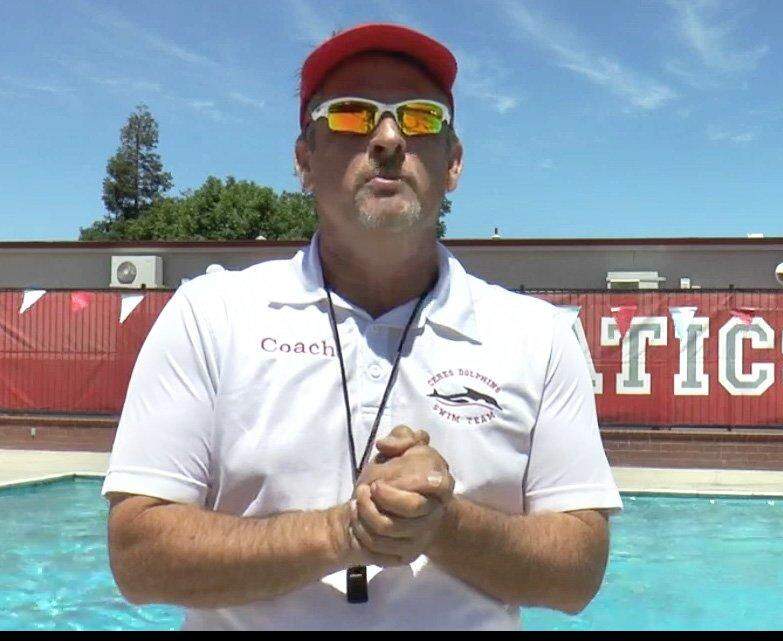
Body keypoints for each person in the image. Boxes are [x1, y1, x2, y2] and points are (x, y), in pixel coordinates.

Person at [102, 23, 622, 631]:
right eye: (351, 114)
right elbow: (138, 557)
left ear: (452, 163)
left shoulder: (538, 336)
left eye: (421, 117)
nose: (388, 138)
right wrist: (341, 530)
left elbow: (578, 573)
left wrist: (445, 523)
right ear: (304, 160)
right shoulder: (210, 315)